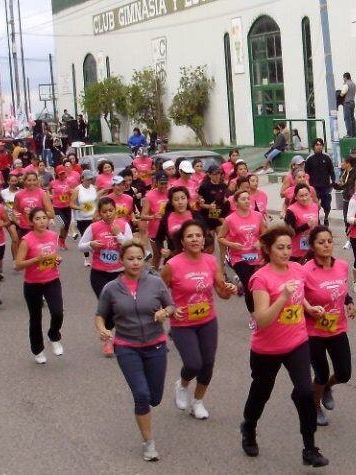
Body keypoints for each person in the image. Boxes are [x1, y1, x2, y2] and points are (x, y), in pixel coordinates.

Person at [240, 226, 329, 467]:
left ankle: (310, 448)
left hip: (296, 342)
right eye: (280, 247)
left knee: (306, 392)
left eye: (289, 247)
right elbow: (262, 320)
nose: (286, 252)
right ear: (268, 250)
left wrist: (309, 308)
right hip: (266, 348)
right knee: (261, 392)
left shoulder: (298, 270)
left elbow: (299, 296)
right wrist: (282, 297)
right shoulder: (261, 278)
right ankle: (249, 427)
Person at [94, 240, 175, 462]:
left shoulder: (156, 283)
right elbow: (100, 315)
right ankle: (148, 443)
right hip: (127, 347)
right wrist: (103, 330)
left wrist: (164, 313)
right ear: (122, 261)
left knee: (155, 398)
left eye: (139, 258)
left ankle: (150, 407)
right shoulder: (111, 289)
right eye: (130, 258)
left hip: (156, 345)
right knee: (141, 395)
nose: (135, 262)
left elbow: (171, 305)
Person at [161, 220, 238, 419]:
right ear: (183, 241)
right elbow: (158, 291)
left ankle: (198, 402)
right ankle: (183, 384)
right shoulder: (172, 265)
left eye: (198, 235)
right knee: (193, 363)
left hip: (207, 321)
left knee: (208, 364)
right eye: (190, 236)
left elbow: (221, 292)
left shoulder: (211, 261)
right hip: (183, 323)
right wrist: (169, 309)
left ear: (204, 239)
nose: (195, 239)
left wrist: (228, 289)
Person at [303, 226, 355, 427]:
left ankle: (326, 389)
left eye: (329, 241)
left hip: (337, 328)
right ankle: (315, 406)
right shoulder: (306, 270)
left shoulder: (342, 265)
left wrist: (349, 302)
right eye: (321, 242)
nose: (326, 245)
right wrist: (309, 309)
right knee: (321, 373)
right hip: (313, 331)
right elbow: (298, 298)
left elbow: (341, 289)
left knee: (344, 374)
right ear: (313, 246)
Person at [14, 208, 65, 364]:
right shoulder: (26, 240)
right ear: (31, 222)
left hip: (52, 279)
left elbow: (53, 255)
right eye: (37, 219)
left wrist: (57, 259)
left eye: (44, 218)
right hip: (33, 283)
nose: (42, 221)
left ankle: (53, 335)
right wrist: (36, 259)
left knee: (57, 313)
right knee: (36, 317)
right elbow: (18, 265)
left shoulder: (52, 236)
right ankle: (38, 350)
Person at [217, 189, 266, 312]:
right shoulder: (230, 219)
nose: (246, 201)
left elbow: (265, 234)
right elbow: (220, 238)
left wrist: (260, 242)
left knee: (258, 284)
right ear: (236, 202)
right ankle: (253, 315)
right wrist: (232, 244)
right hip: (239, 257)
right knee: (250, 286)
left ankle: (241, 284)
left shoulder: (257, 215)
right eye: (243, 199)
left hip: (256, 256)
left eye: (248, 198)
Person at [140, 172, 170, 269]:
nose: (164, 186)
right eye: (161, 183)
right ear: (156, 183)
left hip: (170, 228)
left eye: (165, 183)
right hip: (155, 230)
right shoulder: (150, 195)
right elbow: (143, 216)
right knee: (157, 255)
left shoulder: (171, 193)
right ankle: (152, 275)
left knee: (172, 254)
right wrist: (153, 217)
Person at [284, 184, 320, 263]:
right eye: (301, 196)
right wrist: (306, 226)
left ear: (310, 195)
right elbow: (289, 233)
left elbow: (319, 226)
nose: (304, 198)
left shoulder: (314, 207)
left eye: (306, 195)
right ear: (296, 197)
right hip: (296, 252)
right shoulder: (291, 210)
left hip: (312, 249)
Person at [13, 171, 54, 239]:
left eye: (34, 180)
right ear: (24, 181)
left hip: (40, 228)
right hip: (25, 229)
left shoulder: (42, 194)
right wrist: (16, 218)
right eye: (29, 180)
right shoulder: (19, 195)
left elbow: (52, 214)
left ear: (37, 181)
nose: (32, 183)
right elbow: (15, 209)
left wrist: (34, 212)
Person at [304, 138, 336, 226]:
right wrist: (307, 186)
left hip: (326, 187)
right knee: (315, 206)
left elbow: (332, 171)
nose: (319, 147)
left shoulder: (327, 157)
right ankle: (317, 220)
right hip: (314, 187)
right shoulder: (309, 159)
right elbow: (306, 174)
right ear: (313, 147)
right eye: (317, 145)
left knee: (327, 206)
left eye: (320, 145)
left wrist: (333, 181)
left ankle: (326, 218)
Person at [71, 170, 98, 267]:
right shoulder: (77, 190)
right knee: (86, 239)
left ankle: (96, 257)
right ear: (82, 179)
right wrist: (79, 207)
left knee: (95, 238)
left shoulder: (94, 188)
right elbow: (71, 204)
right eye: (87, 179)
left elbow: (97, 201)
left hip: (94, 218)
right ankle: (86, 258)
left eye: (91, 179)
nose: (89, 181)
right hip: (82, 219)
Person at [198, 165, 229, 234]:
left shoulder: (223, 185)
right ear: (209, 175)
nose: (217, 176)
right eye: (214, 174)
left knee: (221, 239)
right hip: (206, 216)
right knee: (210, 241)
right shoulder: (204, 186)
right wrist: (208, 206)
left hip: (218, 214)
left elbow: (224, 199)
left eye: (219, 173)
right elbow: (200, 204)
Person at [49, 165, 74, 249]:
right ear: (57, 174)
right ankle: (61, 239)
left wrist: (70, 191)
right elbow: (48, 189)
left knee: (67, 225)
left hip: (67, 206)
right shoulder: (53, 183)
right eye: (60, 174)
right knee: (63, 223)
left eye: (63, 173)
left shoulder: (69, 182)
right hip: (57, 207)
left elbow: (74, 192)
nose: (62, 175)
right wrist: (50, 196)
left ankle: (62, 240)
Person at [334, 154, 356, 227]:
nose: (342, 164)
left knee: (353, 219)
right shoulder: (344, 172)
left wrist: (336, 185)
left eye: (343, 162)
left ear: (348, 164)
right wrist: (337, 185)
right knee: (346, 220)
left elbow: (347, 185)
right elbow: (343, 185)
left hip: (353, 200)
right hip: (345, 199)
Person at [0, 173, 21, 261]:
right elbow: (0, 205)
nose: (14, 183)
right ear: (8, 181)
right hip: (9, 219)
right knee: (15, 239)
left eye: (15, 181)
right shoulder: (3, 192)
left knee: (19, 240)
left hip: (20, 219)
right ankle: (15, 259)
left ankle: (19, 256)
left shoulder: (21, 192)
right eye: (12, 181)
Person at [340, 72, 356, 137]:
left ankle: (349, 134)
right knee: (352, 118)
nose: (343, 79)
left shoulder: (346, 84)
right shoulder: (353, 84)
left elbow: (342, 94)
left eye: (343, 78)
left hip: (347, 103)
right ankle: (354, 133)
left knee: (347, 119)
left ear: (345, 77)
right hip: (352, 102)